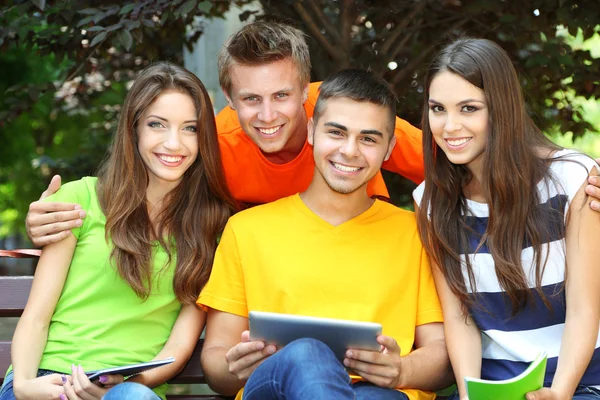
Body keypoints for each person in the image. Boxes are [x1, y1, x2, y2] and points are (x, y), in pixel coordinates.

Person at [23, 20, 426, 245]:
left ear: (306, 91)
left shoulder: (347, 120)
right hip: (275, 280)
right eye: (251, 98)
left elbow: (450, 166)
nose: (267, 115)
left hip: (370, 256)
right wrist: (57, 218)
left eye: (282, 95)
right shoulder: (215, 143)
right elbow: (150, 203)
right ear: (230, 97)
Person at [197, 69, 453, 400]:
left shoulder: (415, 234)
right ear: (312, 132)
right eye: (337, 132)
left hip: (378, 394)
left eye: (369, 138)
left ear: (389, 148)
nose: (350, 151)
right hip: (275, 390)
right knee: (307, 354)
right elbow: (216, 360)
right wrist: (234, 366)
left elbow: (441, 352)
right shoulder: (246, 230)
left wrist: (402, 371)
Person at [0, 62, 236, 400]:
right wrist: (23, 385)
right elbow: (38, 315)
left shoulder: (211, 228)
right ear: (135, 128)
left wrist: (121, 388)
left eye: (189, 129)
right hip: (47, 380)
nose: (174, 143)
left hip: (127, 389)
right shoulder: (79, 199)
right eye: (157, 125)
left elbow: (179, 346)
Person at [413, 38, 600, 400]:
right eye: (438, 109)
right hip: (490, 389)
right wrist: (468, 395)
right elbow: (460, 318)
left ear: (501, 108)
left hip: (579, 384)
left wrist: (559, 393)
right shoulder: (431, 202)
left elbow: (583, 309)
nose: (450, 126)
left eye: (468, 108)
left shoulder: (573, 179)